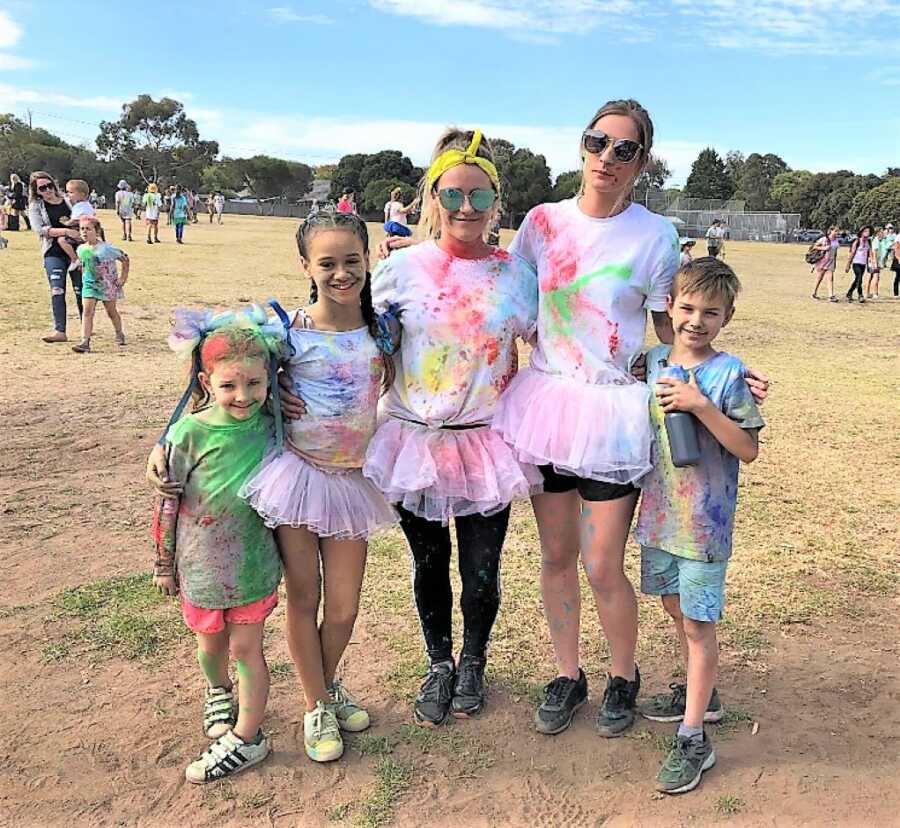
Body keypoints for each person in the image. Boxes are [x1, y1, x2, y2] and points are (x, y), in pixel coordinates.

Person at [491, 99, 770, 740]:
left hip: (613, 410)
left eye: (625, 149)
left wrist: (726, 376)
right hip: (546, 405)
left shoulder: (654, 236)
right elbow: (507, 306)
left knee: (600, 563)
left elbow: (675, 330)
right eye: (598, 142)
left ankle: (623, 675)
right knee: (556, 557)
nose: (607, 158)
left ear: (642, 162)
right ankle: (568, 674)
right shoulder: (541, 223)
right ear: (581, 146)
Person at [364, 129, 540, 727]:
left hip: (487, 441)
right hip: (414, 440)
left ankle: (474, 660)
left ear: (497, 203)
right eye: (454, 194)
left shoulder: (517, 275)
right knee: (429, 563)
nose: (467, 208)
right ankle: (438, 661)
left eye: (481, 197)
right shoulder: (398, 270)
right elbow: (364, 345)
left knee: (481, 572)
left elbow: (550, 349)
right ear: (431, 198)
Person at [240, 212, 398, 763]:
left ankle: (326, 688)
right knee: (304, 598)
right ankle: (315, 706)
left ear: (367, 258)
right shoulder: (286, 333)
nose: (340, 273)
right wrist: (268, 395)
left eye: (351, 261)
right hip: (298, 479)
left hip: (354, 481)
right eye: (326, 263)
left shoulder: (384, 330)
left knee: (345, 610)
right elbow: (228, 381)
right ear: (305, 265)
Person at [636, 257, 764, 794]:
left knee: (698, 625)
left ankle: (694, 738)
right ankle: (700, 692)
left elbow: (748, 449)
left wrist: (702, 405)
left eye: (711, 312)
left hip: (704, 528)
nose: (696, 320)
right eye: (687, 307)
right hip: (659, 518)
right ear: (669, 307)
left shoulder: (730, 373)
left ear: (727, 317)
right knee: (673, 606)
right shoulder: (652, 360)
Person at [152, 309, 284, 784]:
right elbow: (167, 502)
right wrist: (163, 563)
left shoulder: (273, 423)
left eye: (254, 383)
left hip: (253, 564)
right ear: (205, 382)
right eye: (230, 385)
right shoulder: (188, 433)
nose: (243, 396)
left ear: (269, 379)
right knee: (211, 647)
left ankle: (248, 736)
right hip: (200, 567)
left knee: (249, 647)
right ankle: (218, 689)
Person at [27, 171, 85, 343]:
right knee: (57, 289)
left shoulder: (68, 200)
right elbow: (40, 229)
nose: (48, 190)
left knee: (81, 290)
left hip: (77, 250)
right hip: (53, 252)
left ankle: (86, 326)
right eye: (42, 188)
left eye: (49, 185)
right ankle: (60, 330)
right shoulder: (36, 206)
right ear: (36, 191)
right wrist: (66, 231)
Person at [70, 216, 129, 354]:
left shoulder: (107, 249)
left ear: (97, 231)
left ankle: (119, 332)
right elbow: (84, 264)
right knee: (87, 312)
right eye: (82, 229)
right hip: (89, 285)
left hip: (107, 285)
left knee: (111, 312)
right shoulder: (81, 249)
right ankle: (85, 341)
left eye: (88, 229)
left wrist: (123, 278)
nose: (84, 232)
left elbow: (125, 259)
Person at [58, 179, 96, 273]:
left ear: (82, 194)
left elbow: (77, 220)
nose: (68, 195)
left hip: (81, 231)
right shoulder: (85, 205)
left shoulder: (81, 206)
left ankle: (74, 259)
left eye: (71, 192)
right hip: (87, 232)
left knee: (62, 240)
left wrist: (67, 223)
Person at [810, 227, 840, 302]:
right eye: (835, 231)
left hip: (831, 261)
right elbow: (814, 247)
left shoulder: (836, 240)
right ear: (831, 231)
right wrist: (824, 248)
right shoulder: (824, 239)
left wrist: (835, 261)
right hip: (823, 261)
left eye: (838, 231)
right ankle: (814, 293)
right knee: (819, 277)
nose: (837, 233)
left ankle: (831, 295)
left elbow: (835, 252)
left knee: (830, 278)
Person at [844, 225, 872, 303]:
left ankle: (849, 292)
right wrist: (848, 265)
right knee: (859, 278)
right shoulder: (857, 241)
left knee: (857, 280)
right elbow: (852, 253)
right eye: (866, 231)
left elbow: (869, 253)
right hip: (856, 263)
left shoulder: (869, 242)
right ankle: (860, 295)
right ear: (862, 232)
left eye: (868, 231)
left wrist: (871, 262)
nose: (867, 233)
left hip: (863, 264)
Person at [867, 227, 889, 300]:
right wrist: (875, 264)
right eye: (882, 232)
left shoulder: (881, 241)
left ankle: (868, 293)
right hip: (873, 262)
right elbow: (874, 253)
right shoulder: (875, 241)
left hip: (876, 262)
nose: (883, 233)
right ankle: (875, 293)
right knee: (876, 277)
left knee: (871, 277)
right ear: (878, 233)